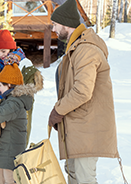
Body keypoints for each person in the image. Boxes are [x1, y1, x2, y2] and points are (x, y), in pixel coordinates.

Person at [48, 0, 119, 183]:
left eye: (55, 25)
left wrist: (58, 110)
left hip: (86, 129)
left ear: (65, 24)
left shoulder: (86, 50)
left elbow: (82, 91)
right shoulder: (76, 48)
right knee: (74, 176)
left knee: (84, 179)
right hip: (77, 128)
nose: (54, 29)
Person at [0, 29, 43, 149]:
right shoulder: (0, 65)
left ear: (12, 49)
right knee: (1, 144)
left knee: (14, 144)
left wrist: (13, 99)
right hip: (2, 110)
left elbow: (29, 90)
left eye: (3, 51)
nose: (1, 55)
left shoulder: (24, 64)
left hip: (16, 111)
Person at [0, 63, 35, 184]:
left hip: (11, 149)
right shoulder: (9, 100)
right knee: (0, 179)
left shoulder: (15, 102)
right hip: (4, 147)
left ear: (9, 85)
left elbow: (1, 114)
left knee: (9, 179)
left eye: (0, 85)